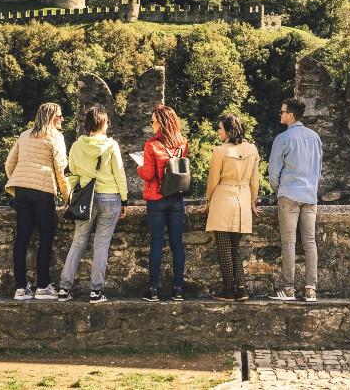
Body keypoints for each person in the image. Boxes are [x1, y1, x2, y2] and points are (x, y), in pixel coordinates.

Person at [57, 105, 128, 304]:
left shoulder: (77, 146)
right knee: (101, 245)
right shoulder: (111, 145)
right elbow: (119, 174)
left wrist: (72, 197)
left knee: (78, 242)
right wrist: (124, 200)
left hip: (85, 199)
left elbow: (71, 174)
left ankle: (64, 289)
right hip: (110, 197)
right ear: (103, 123)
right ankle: (96, 292)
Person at [4, 101, 70, 301]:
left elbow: (9, 163)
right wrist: (68, 198)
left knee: (22, 237)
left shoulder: (25, 135)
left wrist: (17, 180)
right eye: (59, 116)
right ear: (51, 117)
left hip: (22, 190)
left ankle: (21, 288)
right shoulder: (55, 137)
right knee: (47, 235)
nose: (62, 119)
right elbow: (61, 170)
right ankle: (42, 286)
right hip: (43, 189)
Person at [267, 97, 323, 303]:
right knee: (310, 242)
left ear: (290, 115)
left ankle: (289, 290)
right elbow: (318, 169)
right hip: (310, 195)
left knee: (289, 243)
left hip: (289, 194)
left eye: (282, 112)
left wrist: (278, 190)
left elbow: (273, 171)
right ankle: (310, 289)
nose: (280, 114)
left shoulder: (283, 139)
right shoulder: (315, 137)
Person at [200, 113, 260, 301]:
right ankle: (241, 289)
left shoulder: (219, 151)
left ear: (227, 130)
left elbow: (213, 180)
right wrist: (253, 201)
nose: (218, 131)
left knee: (224, 248)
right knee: (234, 248)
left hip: (223, 198)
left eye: (220, 128)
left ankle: (228, 290)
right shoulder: (252, 149)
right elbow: (255, 181)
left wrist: (207, 200)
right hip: (243, 198)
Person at [137, 104, 188, 302]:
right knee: (177, 245)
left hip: (156, 199)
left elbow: (149, 174)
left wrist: (140, 167)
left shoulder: (151, 145)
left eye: (153, 121)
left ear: (161, 122)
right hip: (176, 198)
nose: (152, 125)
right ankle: (178, 289)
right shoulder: (182, 143)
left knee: (156, 243)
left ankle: (154, 289)